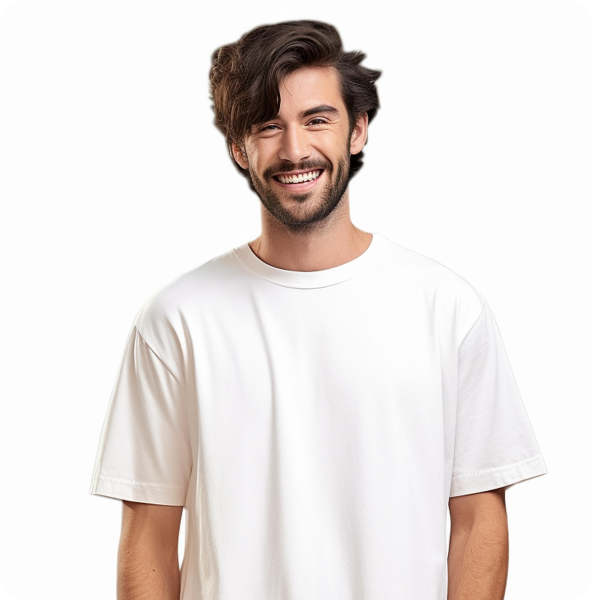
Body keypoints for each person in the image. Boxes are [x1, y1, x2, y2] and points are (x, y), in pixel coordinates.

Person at [90, 20, 547, 600]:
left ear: (357, 130)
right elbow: (149, 538)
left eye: (317, 119)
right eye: (268, 125)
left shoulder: (449, 309)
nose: (295, 150)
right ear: (238, 148)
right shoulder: (176, 320)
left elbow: (479, 521)